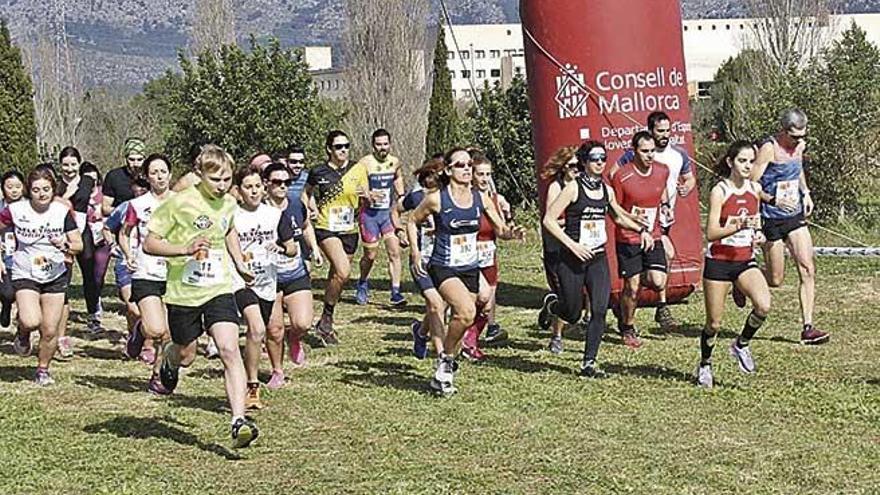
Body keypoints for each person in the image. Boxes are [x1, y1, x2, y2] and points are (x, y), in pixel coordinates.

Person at [145, 144, 259, 448]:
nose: (223, 187)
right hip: (184, 293)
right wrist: (184, 248)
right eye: (216, 180)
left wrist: (239, 264)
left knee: (228, 348)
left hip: (219, 288)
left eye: (227, 180)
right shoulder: (178, 203)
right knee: (187, 356)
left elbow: (229, 230)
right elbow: (150, 244)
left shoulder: (229, 204)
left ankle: (239, 421)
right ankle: (169, 358)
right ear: (200, 175)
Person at [409, 148, 524, 396]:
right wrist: (416, 253)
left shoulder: (481, 198)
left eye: (469, 164)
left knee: (464, 320)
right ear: (449, 170)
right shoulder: (437, 199)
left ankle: (444, 364)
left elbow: (501, 229)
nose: (466, 169)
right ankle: (445, 361)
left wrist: (510, 234)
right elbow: (411, 221)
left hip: (469, 267)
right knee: (466, 310)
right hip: (443, 266)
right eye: (460, 165)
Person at [543, 142, 652, 375]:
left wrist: (641, 231)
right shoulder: (573, 188)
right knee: (572, 313)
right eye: (595, 158)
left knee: (600, 309)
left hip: (597, 258)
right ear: (584, 161)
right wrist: (573, 246)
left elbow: (618, 218)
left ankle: (589, 363)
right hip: (572, 258)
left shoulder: (606, 190)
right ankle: (553, 306)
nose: (600, 162)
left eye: (603, 158)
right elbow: (549, 220)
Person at [698, 141, 772, 388]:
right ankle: (705, 364)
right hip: (719, 262)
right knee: (714, 323)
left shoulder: (754, 189)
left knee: (763, 305)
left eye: (751, 161)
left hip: (744, 260)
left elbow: (755, 222)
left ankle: (741, 344)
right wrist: (735, 226)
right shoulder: (720, 191)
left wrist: (758, 235)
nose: (747, 166)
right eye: (742, 161)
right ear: (730, 162)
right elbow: (711, 232)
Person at [751, 108, 828, 345]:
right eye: (795, 136)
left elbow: (798, 170)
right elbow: (752, 185)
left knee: (807, 268)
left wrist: (805, 193)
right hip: (771, 217)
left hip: (794, 215)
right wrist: (772, 201)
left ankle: (807, 327)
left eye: (803, 136)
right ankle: (742, 281)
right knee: (776, 279)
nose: (799, 140)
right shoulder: (769, 149)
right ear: (783, 131)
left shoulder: (800, 147)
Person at [0, 167, 83, 385]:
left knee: (49, 329)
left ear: (53, 189)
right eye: (36, 189)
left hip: (54, 273)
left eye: (46, 189)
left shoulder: (61, 211)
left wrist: (65, 245)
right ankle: (23, 331)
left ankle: (43, 368)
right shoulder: (16, 210)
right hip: (25, 271)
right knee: (31, 319)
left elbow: (78, 244)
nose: (41, 194)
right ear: (29, 190)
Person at [615, 112, 697, 331]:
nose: (665, 135)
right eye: (660, 131)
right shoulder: (630, 159)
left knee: (658, 272)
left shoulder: (677, 156)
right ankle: (655, 306)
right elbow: (615, 178)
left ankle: (646, 300)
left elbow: (689, 179)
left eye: (668, 130)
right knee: (664, 257)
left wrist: (678, 194)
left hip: (660, 219)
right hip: (634, 225)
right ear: (650, 130)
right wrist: (627, 213)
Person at [232, 165, 300, 407]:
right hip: (240, 282)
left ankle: (243, 371)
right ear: (238, 190)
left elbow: (292, 248)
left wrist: (281, 248)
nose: (254, 192)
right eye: (248, 187)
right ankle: (252, 385)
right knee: (258, 328)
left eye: (257, 187)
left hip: (267, 282)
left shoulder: (274, 216)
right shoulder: (232, 216)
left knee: (255, 332)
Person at [303, 130, 369, 345]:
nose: (343, 151)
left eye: (346, 146)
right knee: (343, 270)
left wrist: (367, 197)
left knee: (338, 278)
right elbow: (307, 192)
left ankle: (325, 320)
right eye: (339, 147)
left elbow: (364, 196)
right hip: (326, 227)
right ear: (329, 149)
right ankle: (328, 317)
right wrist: (310, 207)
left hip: (349, 228)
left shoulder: (358, 169)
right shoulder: (318, 171)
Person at [119, 154, 176, 394]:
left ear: (170, 174)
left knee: (169, 331)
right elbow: (124, 232)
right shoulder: (138, 204)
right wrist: (128, 254)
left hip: (176, 272)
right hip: (146, 270)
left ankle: (157, 375)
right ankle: (140, 330)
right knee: (155, 328)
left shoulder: (182, 202)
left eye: (163, 171)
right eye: (154, 172)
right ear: (147, 176)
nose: (159, 176)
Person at [610, 131, 670, 349]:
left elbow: (660, 192)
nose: (649, 155)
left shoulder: (663, 170)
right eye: (645, 151)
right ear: (633, 151)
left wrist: (665, 207)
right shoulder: (622, 176)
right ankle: (627, 326)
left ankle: (625, 298)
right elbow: (614, 210)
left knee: (658, 281)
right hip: (628, 236)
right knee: (633, 286)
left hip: (652, 234)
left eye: (653, 151)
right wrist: (634, 222)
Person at [460, 152, 513, 360]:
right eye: (480, 174)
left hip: (489, 256)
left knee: (488, 305)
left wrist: (511, 229)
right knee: (476, 300)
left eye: (488, 174)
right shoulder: (465, 199)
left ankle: (468, 339)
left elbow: (501, 230)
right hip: (468, 258)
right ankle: (460, 339)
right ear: (472, 175)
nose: (484, 179)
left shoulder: (494, 200)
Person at [401, 157, 447, 359]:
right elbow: (396, 211)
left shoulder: (449, 198)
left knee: (439, 305)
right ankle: (442, 356)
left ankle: (420, 332)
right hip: (421, 259)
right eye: (429, 175)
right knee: (437, 305)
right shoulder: (417, 197)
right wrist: (401, 233)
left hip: (443, 259)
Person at [354, 129, 406, 306]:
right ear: (373, 145)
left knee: (394, 252)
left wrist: (401, 195)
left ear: (390, 144)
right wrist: (367, 194)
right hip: (369, 216)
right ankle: (362, 282)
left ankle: (396, 292)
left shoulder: (394, 162)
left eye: (385, 144)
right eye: (379, 144)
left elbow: (398, 177)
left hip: (386, 215)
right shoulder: (365, 163)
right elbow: (356, 185)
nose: (382, 148)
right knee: (370, 255)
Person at [104, 178, 151, 363]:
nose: (140, 193)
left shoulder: (162, 207)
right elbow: (108, 227)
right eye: (136, 190)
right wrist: (113, 245)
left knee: (148, 309)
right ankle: (135, 335)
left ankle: (147, 345)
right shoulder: (125, 207)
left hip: (150, 264)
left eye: (143, 190)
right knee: (133, 308)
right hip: (126, 262)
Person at [58, 147, 102, 337]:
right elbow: (52, 201)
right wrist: (67, 194)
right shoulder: (56, 183)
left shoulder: (87, 180)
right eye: (65, 165)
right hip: (62, 229)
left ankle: (93, 315)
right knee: (62, 276)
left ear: (79, 163)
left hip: (83, 228)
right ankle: (59, 317)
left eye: (73, 164)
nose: (69, 169)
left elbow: (91, 202)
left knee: (89, 274)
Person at [537, 146, 579, 332]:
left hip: (577, 243)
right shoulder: (556, 187)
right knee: (562, 291)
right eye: (572, 166)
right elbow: (550, 219)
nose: (576, 169)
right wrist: (572, 222)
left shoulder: (582, 185)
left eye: (579, 165)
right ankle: (557, 336)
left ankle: (576, 320)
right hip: (557, 245)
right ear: (563, 167)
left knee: (579, 288)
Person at [0, 170, 25, 328]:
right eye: (10, 187)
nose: (14, 190)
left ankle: (22, 328)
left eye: (18, 186)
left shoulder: (30, 206)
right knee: (8, 293)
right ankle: (6, 304)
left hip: (24, 256)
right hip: (4, 256)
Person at [102, 137, 145, 216]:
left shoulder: (149, 176)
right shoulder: (113, 177)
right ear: (125, 159)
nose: (136, 164)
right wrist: (125, 211)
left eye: (139, 159)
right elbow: (105, 208)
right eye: (132, 159)